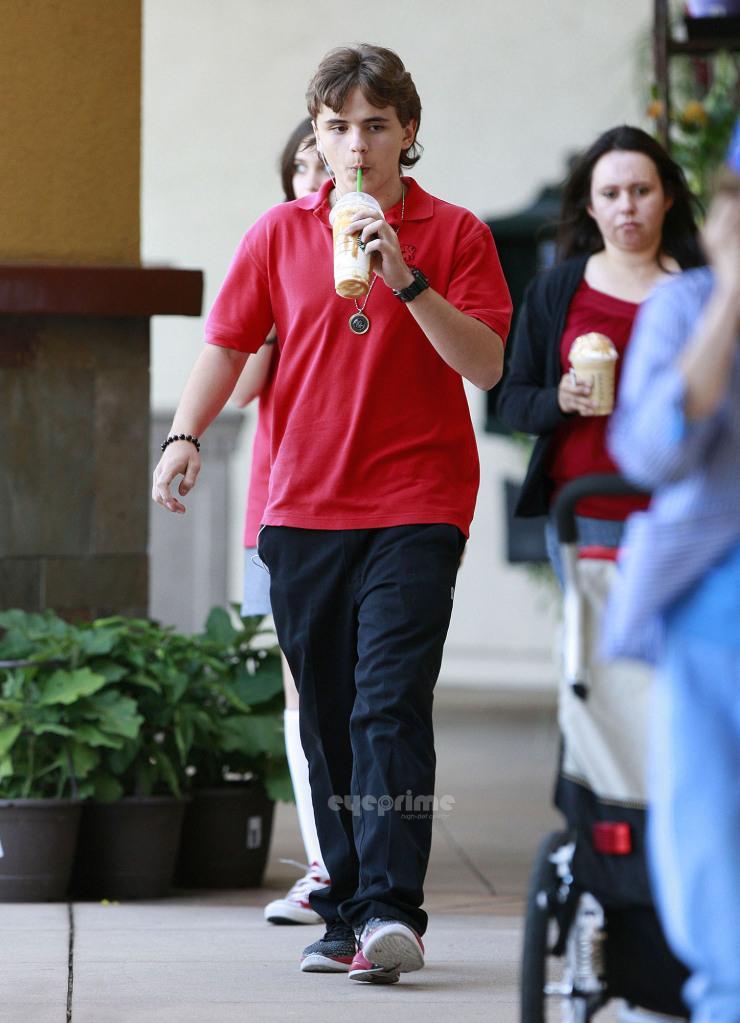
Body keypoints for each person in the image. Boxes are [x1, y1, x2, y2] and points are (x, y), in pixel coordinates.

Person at [152, 43, 511, 985]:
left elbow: (485, 364)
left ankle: (394, 909)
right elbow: (226, 345)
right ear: (317, 134)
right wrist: (181, 437)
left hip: (418, 503)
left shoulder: (456, 233)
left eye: (377, 126)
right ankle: (347, 906)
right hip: (303, 505)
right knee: (328, 719)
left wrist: (407, 278)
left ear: (408, 134)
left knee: (390, 703)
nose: (358, 144)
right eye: (338, 126)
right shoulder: (278, 232)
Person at [602, 146, 740, 1023]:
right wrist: (729, 298)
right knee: (713, 847)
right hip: (711, 613)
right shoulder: (684, 305)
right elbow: (651, 451)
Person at [497, 125, 703, 583]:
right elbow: (514, 402)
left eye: (641, 190)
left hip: (686, 509)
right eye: (610, 194)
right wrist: (561, 399)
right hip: (587, 510)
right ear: (591, 206)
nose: (626, 206)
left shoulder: (702, 287)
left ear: (667, 197)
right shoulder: (557, 290)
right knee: (597, 652)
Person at [231, 118, 330, 926]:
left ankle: (373, 857)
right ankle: (328, 861)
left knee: (373, 691)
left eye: (320, 160)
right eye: (299, 165)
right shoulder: (276, 253)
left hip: (368, 506)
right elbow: (236, 386)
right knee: (303, 694)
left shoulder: (380, 251)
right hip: (279, 500)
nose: (312, 175)